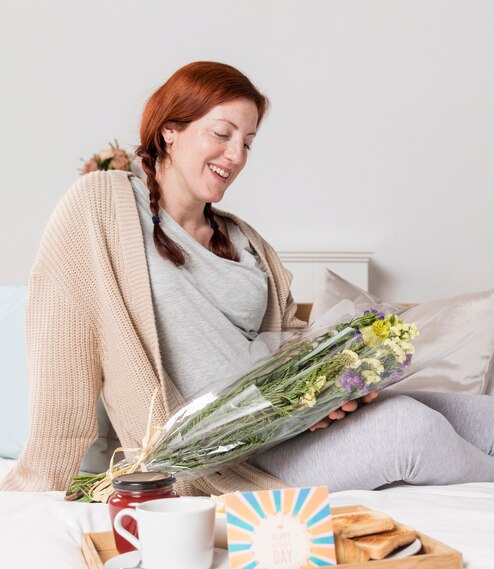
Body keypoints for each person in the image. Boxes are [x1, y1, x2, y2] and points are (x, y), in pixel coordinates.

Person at [2, 61, 493, 495]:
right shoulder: (102, 205)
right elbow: (59, 338)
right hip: (226, 452)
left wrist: (331, 388)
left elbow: (286, 343)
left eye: (248, 141)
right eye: (222, 133)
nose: (235, 155)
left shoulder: (246, 240)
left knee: (465, 411)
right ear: (170, 129)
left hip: (292, 419)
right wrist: (43, 479)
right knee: (410, 428)